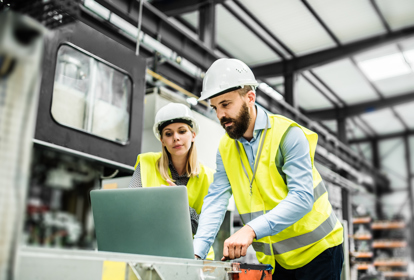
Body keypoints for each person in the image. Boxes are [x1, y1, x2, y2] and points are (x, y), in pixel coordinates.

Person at [193, 58, 344, 279]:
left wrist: (250, 230)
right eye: (215, 107)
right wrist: (197, 253)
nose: (220, 115)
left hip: (320, 251)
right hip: (278, 260)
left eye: (226, 104)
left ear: (250, 98)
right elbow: (216, 199)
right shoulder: (225, 148)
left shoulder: (288, 135)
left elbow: (302, 197)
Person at [129, 102, 215, 260]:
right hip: (151, 253)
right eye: (168, 134)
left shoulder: (209, 176)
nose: (176, 137)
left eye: (182, 131)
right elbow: (131, 210)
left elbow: (206, 227)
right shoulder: (146, 163)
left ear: (193, 135)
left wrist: (179, 204)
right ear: (162, 140)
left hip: (195, 257)